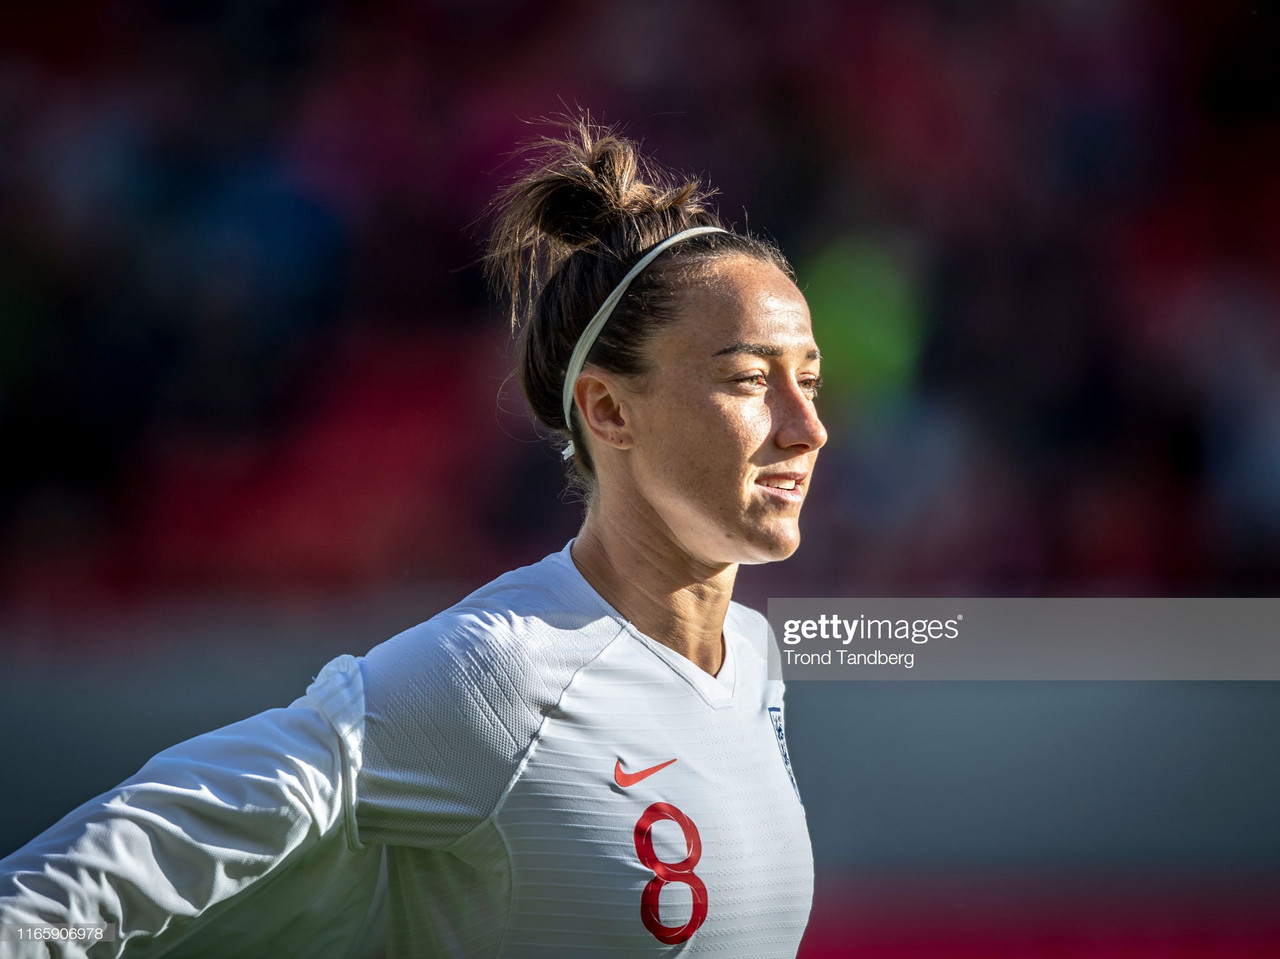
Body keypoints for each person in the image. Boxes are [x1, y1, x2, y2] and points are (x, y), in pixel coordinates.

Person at [0, 119, 827, 958]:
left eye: (811, 381)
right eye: (750, 380)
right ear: (609, 409)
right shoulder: (500, 672)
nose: (808, 428)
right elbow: (141, 849)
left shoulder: (755, 655)